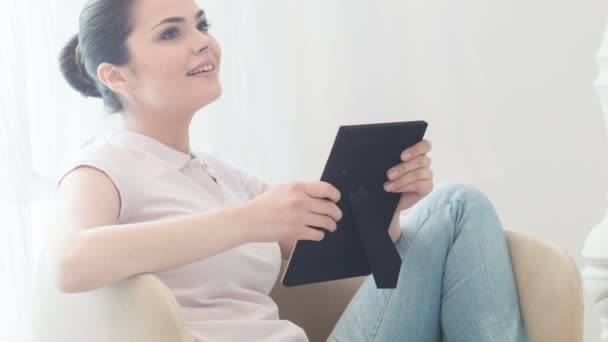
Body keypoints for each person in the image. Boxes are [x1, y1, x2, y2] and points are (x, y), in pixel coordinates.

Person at [50, 0, 528, 341]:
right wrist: (248, 221)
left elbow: (337, 254)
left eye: (202, 24)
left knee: (452, 207)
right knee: (458, 203)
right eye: (172, 32)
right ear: (115, 75)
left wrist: (387, 203)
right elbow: (71, 262)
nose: (203, 42)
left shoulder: (219, 171)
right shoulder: (104, 163)